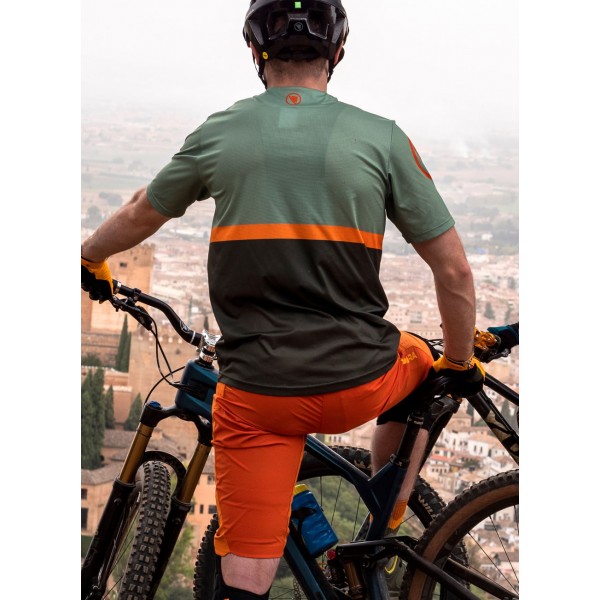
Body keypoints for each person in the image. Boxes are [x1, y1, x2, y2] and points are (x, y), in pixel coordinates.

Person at [81, 1, 485, 598]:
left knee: (246, 571)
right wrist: (460, 361)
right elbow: (454, 271)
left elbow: (144, 209)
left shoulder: (220, 131)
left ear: (254, 51)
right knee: (428, 364)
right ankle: (388, 519)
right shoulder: (383, 138)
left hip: (258, 397)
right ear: (337, 52)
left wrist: (89, 258)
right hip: (361, 384)